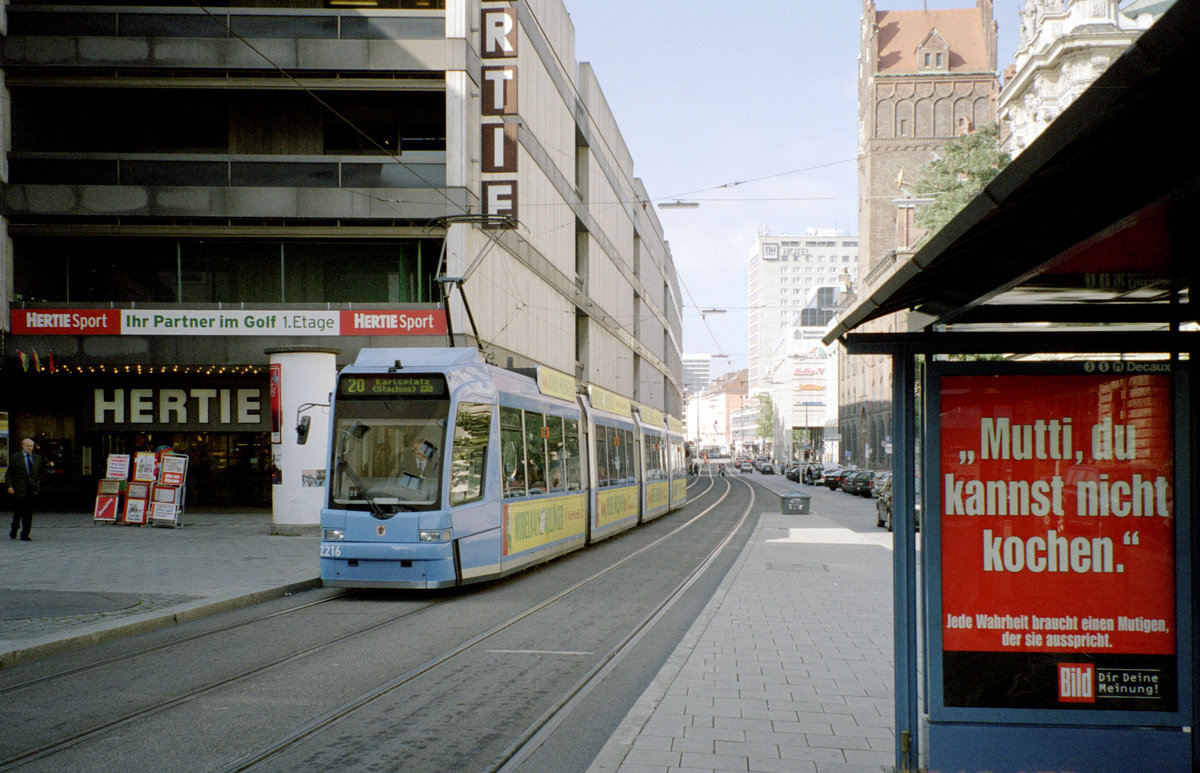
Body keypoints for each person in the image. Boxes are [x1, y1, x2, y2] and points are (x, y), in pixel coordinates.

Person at [7, 438, 45, 541]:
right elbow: (9, 473)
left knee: (28, 513)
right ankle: (14, 528)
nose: (29, 448)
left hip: (31, 489)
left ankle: (25, 534)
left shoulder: (37, 458)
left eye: (31, 446)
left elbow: (40, 473)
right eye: (27, 446)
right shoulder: (15, 457)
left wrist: (37, 484)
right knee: (18, 512)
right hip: (19, 489)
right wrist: (9, 486)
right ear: (23, 446)